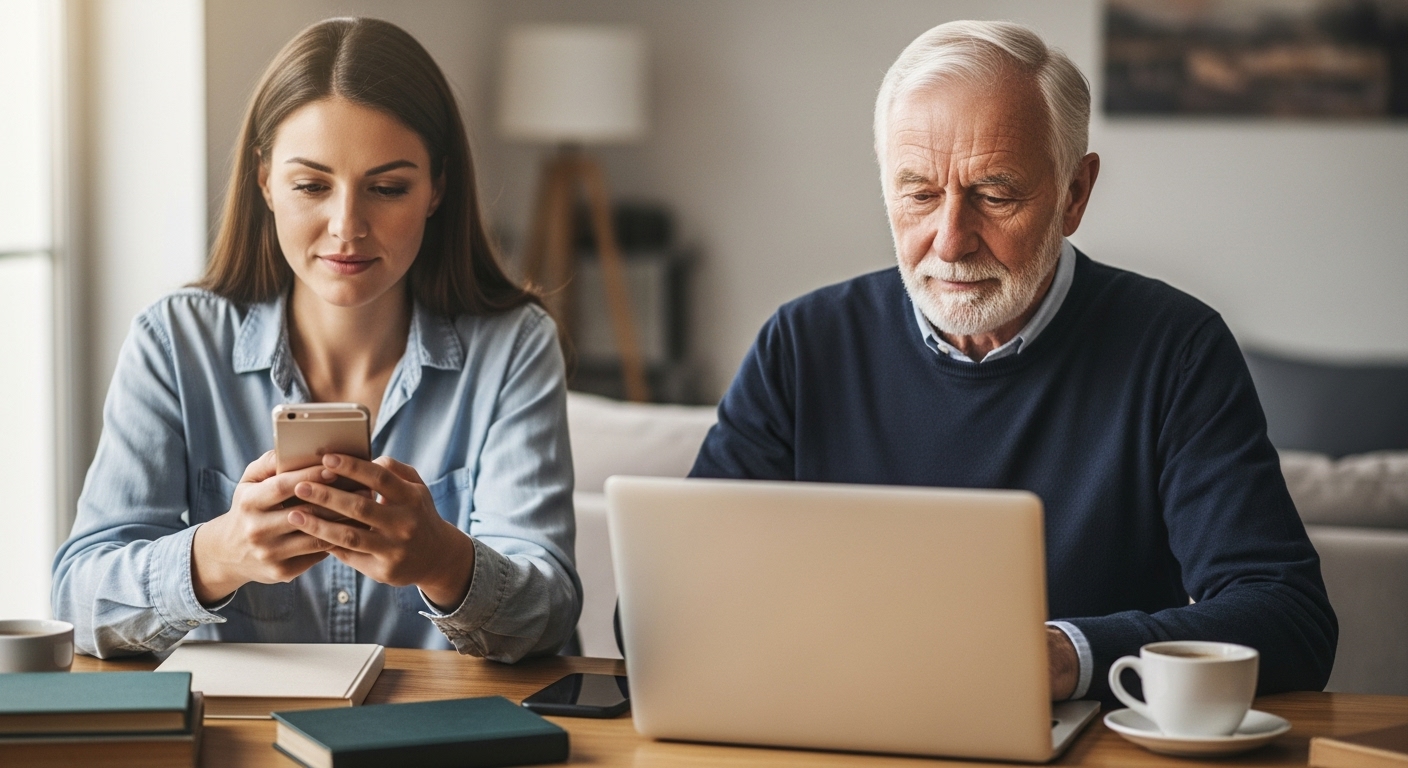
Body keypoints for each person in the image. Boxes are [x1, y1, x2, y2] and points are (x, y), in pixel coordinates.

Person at [690, 20, 1336, 705]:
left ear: (1074, 194)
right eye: (919, 193)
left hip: (1078, 736)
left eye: (995, 195)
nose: (951, 241)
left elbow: (1288, 618)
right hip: (831, 723)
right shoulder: (801, 344)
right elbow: (668, 608)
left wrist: (1067, 656)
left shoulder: (1177, 349)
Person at [52, 17, 580, 662]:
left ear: (437, 188)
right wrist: (218, 554)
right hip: (239, 724)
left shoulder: (514, 346)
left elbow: (549, 615)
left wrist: (444, 561)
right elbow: (77, 602)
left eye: (388, 188)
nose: (347, 226)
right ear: (265, 180)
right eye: (311, 185)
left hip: (438, 718)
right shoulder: (174, 342)